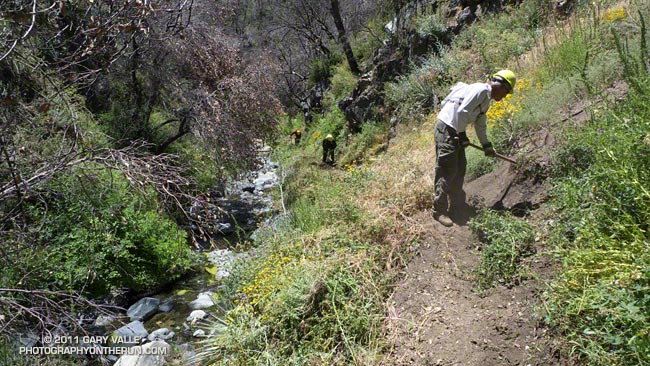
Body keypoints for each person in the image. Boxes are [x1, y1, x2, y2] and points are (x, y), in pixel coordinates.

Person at [432, 69, 516, 227]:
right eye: (506, 92)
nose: (504, 96)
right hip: (447, 129)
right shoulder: (481, 90)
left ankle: (457, 206)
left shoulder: (486, 100)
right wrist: (462, 135)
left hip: (455, 129)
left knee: (460, 167)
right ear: (500, 85)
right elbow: (462, 111)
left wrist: (486, 145)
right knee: (448, 169)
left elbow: (480, 123)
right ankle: (439, 210)